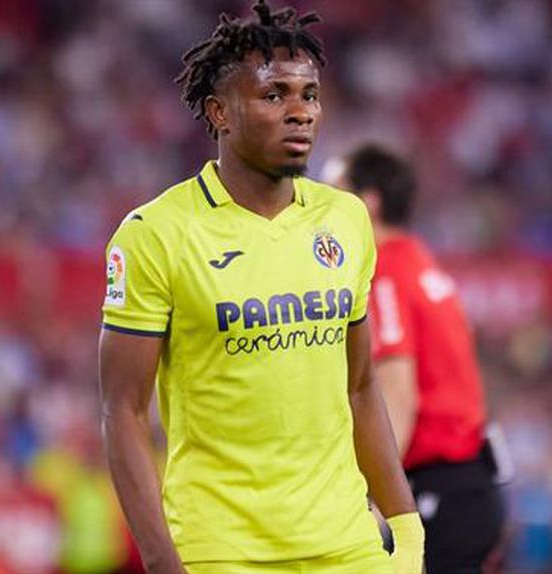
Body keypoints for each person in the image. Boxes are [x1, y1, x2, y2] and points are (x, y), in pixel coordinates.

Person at [97, 3, 423, 574]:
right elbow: (123, 411)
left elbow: (360, 387)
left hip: (348, 545)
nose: (300, 112)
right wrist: (162, 561)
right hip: (224, 551)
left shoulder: (345, 220)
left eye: (309, 95)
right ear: (219, 112)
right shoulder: (155, 234)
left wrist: (405, 525)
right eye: (274, 96)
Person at [329, 144, 506, 574]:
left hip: (437, 487)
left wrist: (375, 500)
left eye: (335, 191)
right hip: (466, 484)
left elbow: (397, 394)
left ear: (368, 202)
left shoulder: (384, 273)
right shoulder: (420, 262)